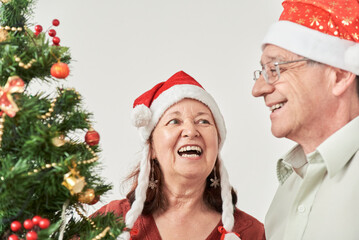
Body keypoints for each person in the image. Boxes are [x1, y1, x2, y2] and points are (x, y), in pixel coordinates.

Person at [94, 71, 265, 240]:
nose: (191, 131)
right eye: (174, 121)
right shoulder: (110, 220)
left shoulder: (252, 234)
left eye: (203, 121)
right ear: (151, 147)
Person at [252, 0, 359, 239]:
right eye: (262, 72)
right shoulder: (287, 190)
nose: (258, 89)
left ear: (340, 76)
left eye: (276, 69)